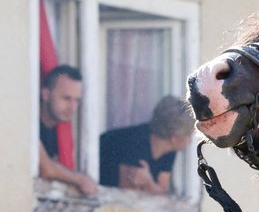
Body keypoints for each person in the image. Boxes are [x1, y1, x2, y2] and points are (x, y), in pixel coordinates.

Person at [99, 95, 193, 195]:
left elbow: (162, 193)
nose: (191, 141)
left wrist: (149, 183)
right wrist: (152, 186)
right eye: (189, 135)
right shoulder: (133, 143)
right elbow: (127, 197)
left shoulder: (169, 149)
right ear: (174, 139)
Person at [39, 65, 98, 196]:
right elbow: (47, 169)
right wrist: (79, 179)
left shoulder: (61, 134)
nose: (72, 107)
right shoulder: (31, 123)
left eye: (77, 100)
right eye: (66, 98)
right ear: (46, 94)